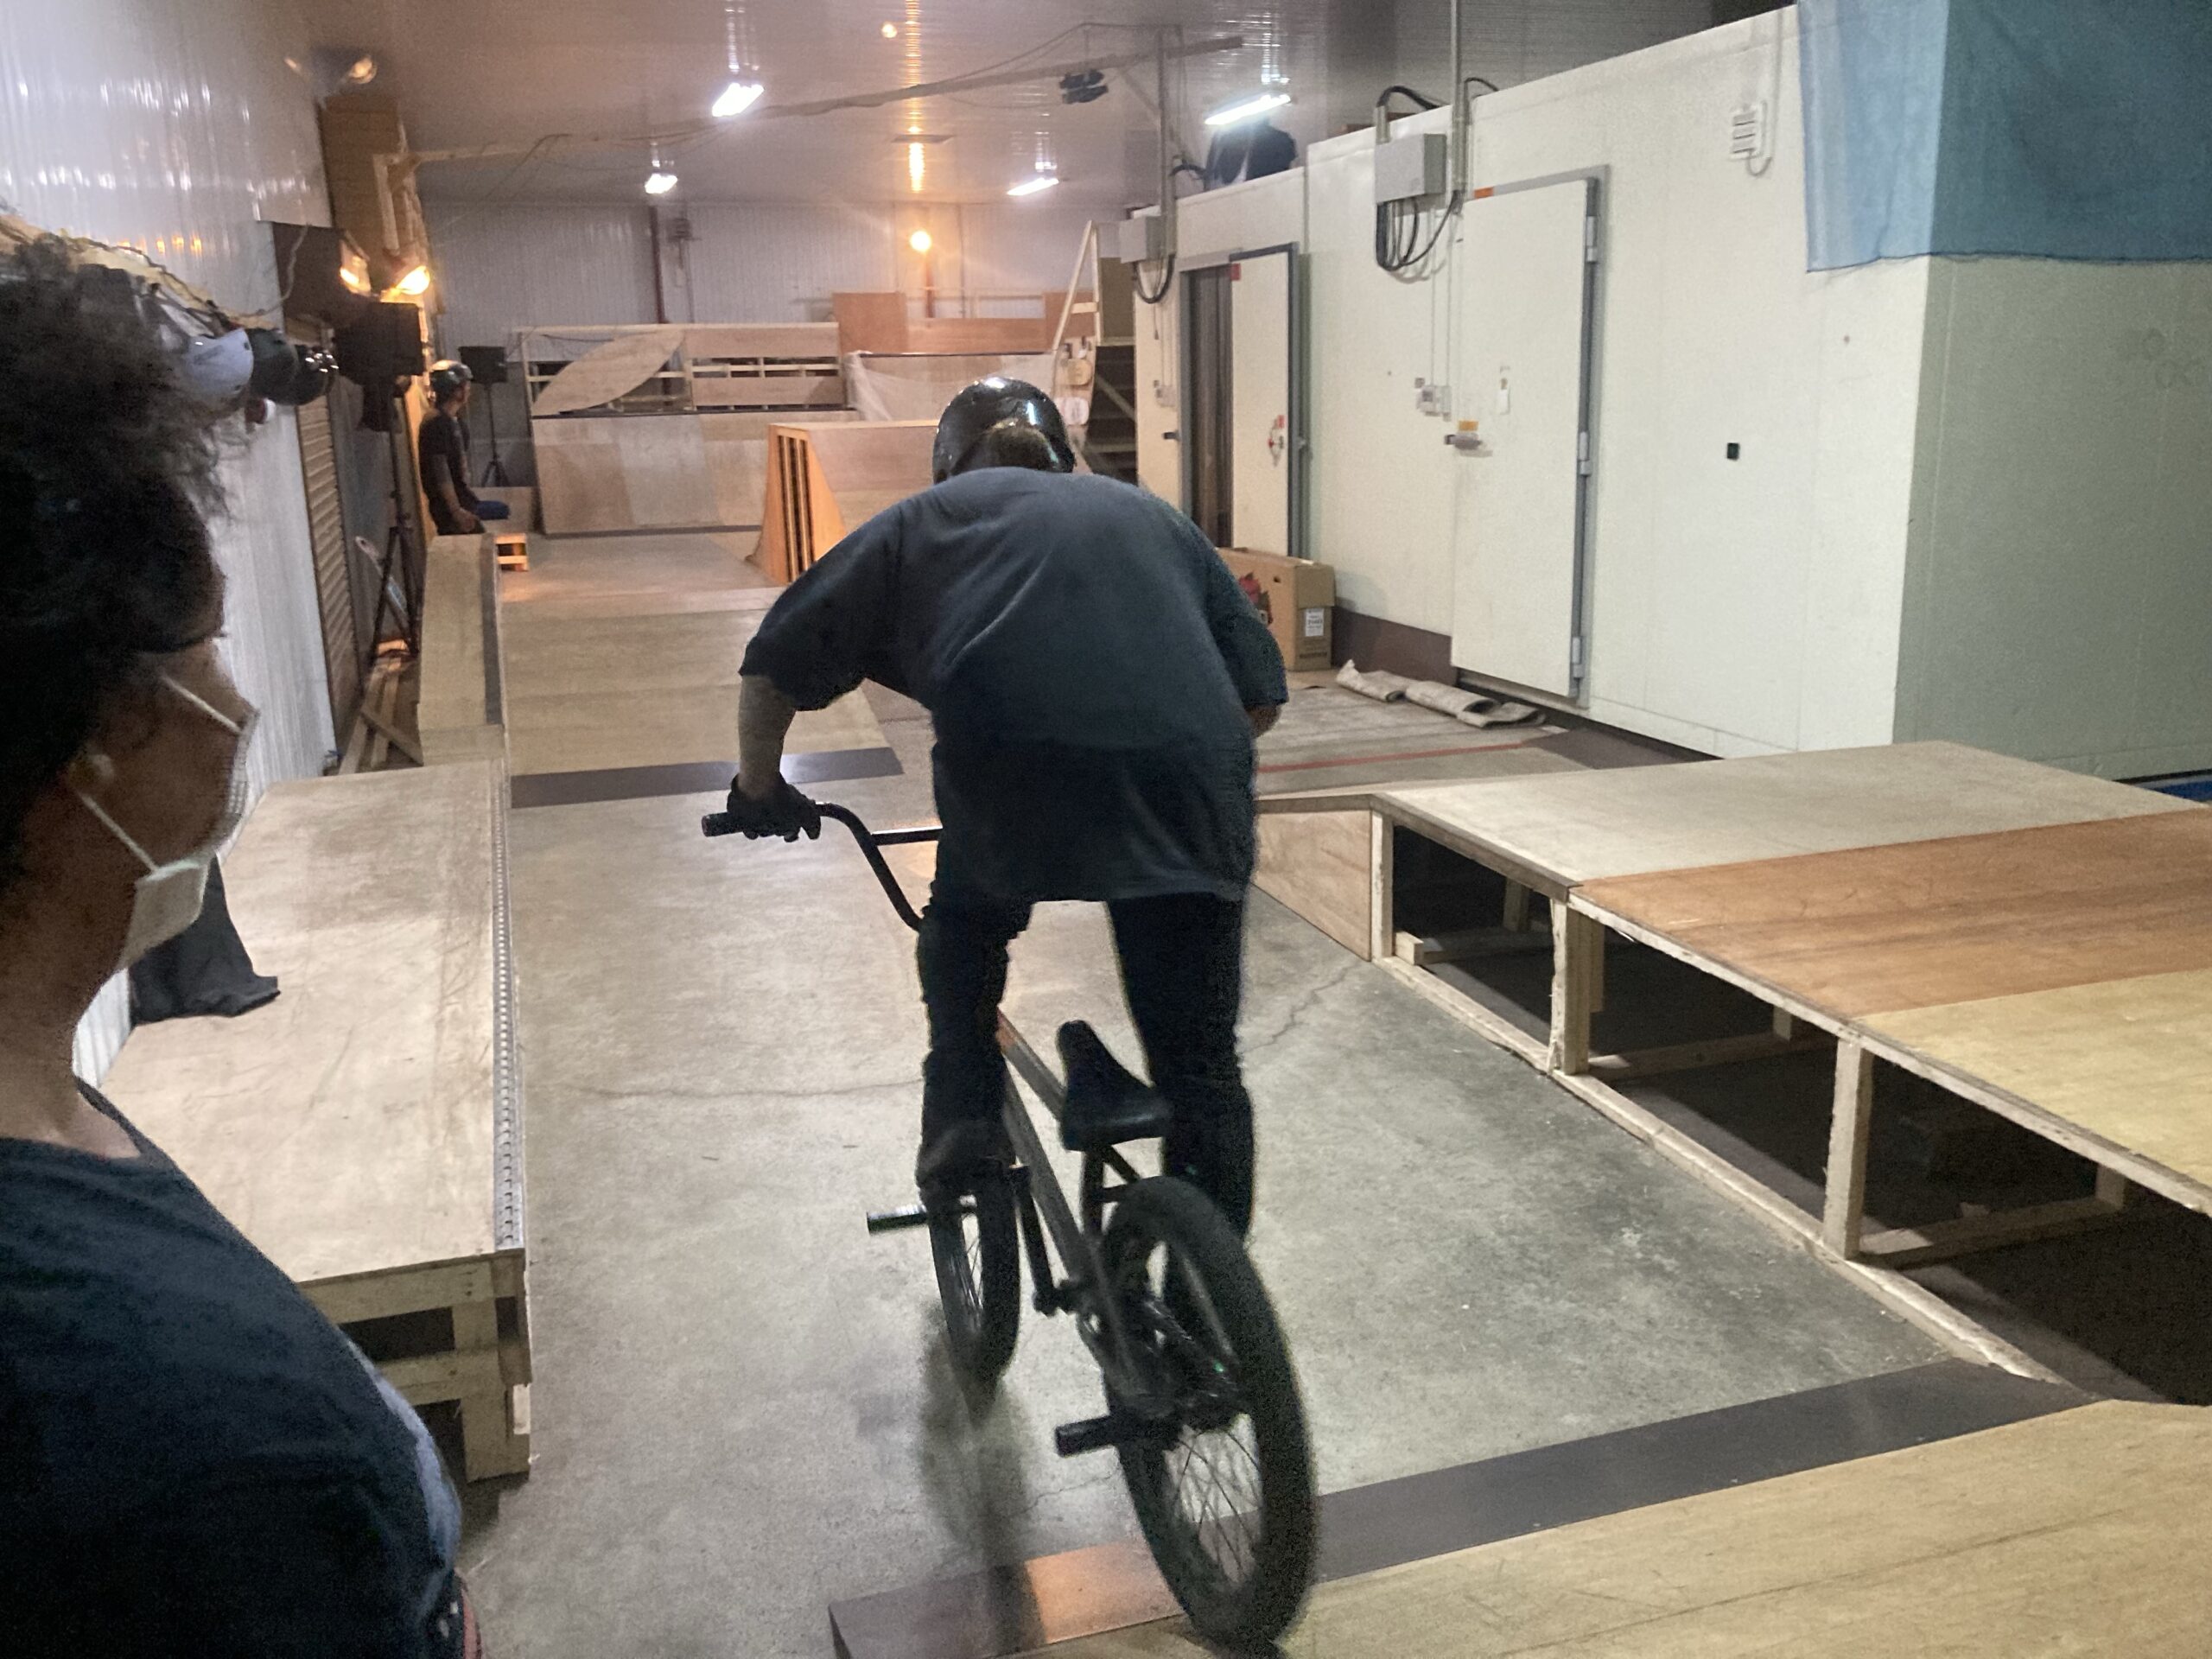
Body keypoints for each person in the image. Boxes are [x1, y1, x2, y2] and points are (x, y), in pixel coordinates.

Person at [0, 238, 480, 1656]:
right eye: (208, 643)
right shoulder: (192, 1444)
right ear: (107, 729)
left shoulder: (54, 1129)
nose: (232, 697)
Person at [723, 378, 1287, 1232]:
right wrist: (1160, 761)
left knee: (964, 925)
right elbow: (1261, 696)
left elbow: (772, 667)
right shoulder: (1152, 515)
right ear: (1063, 455)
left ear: (950, 464)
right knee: (1203, 1067)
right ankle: (1204, 1305)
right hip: (1192, 782)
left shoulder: (920, 521)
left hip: (1014, 773)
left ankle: (962, 1112)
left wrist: (759, 788)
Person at [416, 359, 508, 537]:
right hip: (451, 507)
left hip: (464, 499)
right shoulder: (436, 424)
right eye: (466, 385)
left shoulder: (456, 422)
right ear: (456, 390)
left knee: (501, 512)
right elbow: (441, 473)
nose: (469, 390)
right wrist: (456, 511)